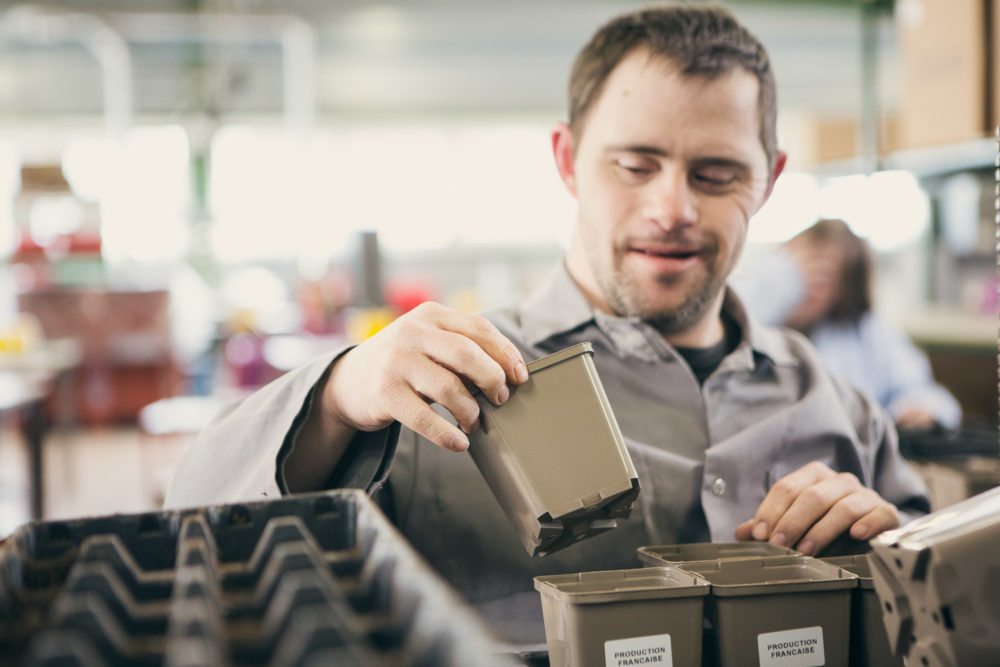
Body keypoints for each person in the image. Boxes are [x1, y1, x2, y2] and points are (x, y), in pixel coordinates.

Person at [165, 5, 929, 645]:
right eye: (634, 165)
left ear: (769, 177)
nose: (673, 208)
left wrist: (890, 551)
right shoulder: (441, 386)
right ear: (567, 160)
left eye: (716, 173)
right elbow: (192, 535)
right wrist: (334, 396)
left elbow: (941, 614)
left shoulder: (835, 400)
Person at [736, 218, 962, 431]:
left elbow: (920, 390)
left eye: (823, 278)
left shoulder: (865, 332)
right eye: (796, 270)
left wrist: (920, 409)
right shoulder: (742, 320)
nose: (807, 284)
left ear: (843, 292)